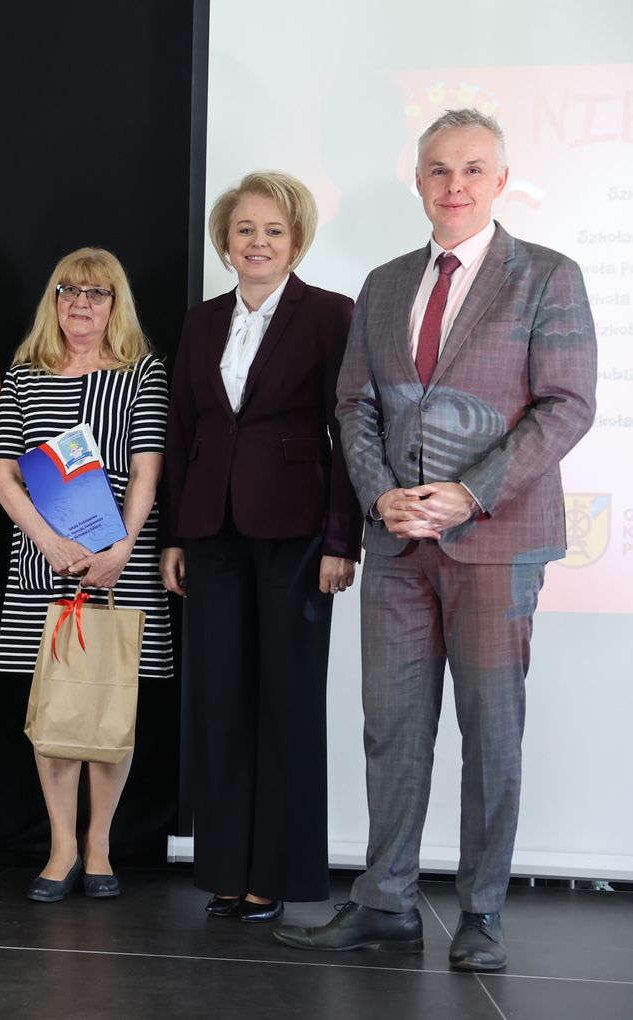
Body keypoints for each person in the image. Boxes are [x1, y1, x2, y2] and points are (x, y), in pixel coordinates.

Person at [274, 109, 596, 970]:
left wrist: (468, 493)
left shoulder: (548, 276)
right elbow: (354, 404)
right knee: (391, 730)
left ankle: (482, 914)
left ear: (501, 181)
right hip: (396, 548)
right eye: (440, 170)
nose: (455, 185)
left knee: (491, 734)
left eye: (473, 169)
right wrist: (380, 496)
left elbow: (567, 405)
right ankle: (385, 904)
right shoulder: (384, 284)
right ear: (418, 182)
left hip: (496, 542)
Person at [160, 171, 360, 924]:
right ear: (225, 240)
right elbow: (183, 431)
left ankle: (275, 875)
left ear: (296, 239)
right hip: (211, 532)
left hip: (298, 534)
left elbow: (349, 432)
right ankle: (224, 869)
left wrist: (343, 538)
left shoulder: (331, 315)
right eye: (244, 229)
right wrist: (175, 535)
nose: (258, 242)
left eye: (273, 230)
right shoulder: (201, 321)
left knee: (289, 703)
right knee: (219, 701)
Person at [0, 248, 171, 902]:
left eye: (97, 293)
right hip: (42, 563)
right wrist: (45, 540)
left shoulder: (144, 371)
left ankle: (99, 845)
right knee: (55, 706)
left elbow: (148, 470)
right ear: (54, 300)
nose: (81, 304)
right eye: (69, 291)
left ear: (116, 303)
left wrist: (120, 548)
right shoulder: (24, 374)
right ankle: (62, 845)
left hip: (121, 561)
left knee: (109, 701)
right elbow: (3, 474)